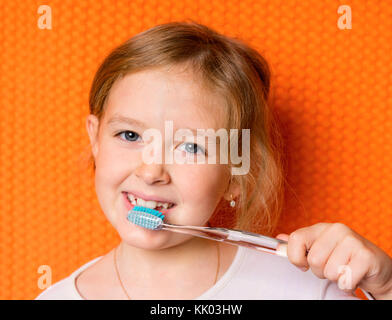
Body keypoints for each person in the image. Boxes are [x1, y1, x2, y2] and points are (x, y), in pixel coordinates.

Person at [35, 21, 392, 300]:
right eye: (130, 136)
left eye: (191, 147)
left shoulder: (306, 288)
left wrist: (387, 288)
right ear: (95, 139)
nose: (151, 171)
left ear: (236, 172)